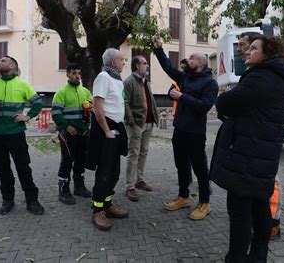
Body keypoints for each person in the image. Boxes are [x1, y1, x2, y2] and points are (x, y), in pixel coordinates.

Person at [211, 35, 284, 262]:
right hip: (263, 156)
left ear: (267, 53)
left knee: (240, 215)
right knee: (260, 209)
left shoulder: (261, 77)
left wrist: (224, 102)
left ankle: (236, 258)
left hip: (248, 156)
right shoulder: (278, 77)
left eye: (253, 48)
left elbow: (225, 103)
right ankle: (259, 256)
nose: (247, 52)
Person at [152, 35, 219, 221]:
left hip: (196, 133)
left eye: (190, 58)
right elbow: (168, 68)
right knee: (181, 165)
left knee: (200, 168)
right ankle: (184, 197)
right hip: (180, 130)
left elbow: (204, 106)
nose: (187, 61)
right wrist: (158, 49)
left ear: (199, 62)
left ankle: (205, 203)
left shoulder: (210, 83)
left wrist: (182, 97)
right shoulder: (185, 77)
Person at [0, 56, 45, 215]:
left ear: (12, 65)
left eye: (3, 61)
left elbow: (38, 103)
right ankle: (7, 200)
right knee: (3, 170)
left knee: (23, 168)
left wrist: (27, 116)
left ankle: (32, 201)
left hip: (16, 134)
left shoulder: (23, 85)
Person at [238, 31, 284, 240]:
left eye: (246, 46)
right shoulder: (253, 73)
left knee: (269, 185)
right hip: (253, 142)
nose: (242, 50)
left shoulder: (268, 76)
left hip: (262, 143)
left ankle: (273, 223)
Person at [86, 48, 129, 230]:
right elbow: (97, 107)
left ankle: (107, 205)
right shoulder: (103, 77)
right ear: (113, 62)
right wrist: (106, 130)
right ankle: (97, 211)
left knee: (114, 172)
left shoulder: (117, 80)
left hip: (116, 129)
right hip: (107, 131)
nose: (124, 62)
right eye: (121, 59)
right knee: (104, 173)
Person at [52, 63, 93, 205]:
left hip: (83, 134)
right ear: (68, 74)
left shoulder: (86, 92)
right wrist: (67, 127)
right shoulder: (61, 93)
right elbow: (56, 114)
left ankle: (79, 187)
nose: (77, 76)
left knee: (81, 161)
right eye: (74, 73)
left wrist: (89, 120)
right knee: (67, 162)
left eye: (79, 73)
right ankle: (63, 191)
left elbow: (91, 111)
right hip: (67, 134)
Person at [124, 55, 159, 202]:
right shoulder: (129, 81)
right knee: (134, 154)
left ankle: (139, 180)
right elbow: (124, 102)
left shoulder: (145, 82)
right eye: (144, 63)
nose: (147, 66)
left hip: (148, 123)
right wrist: (132, 122)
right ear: (137, 66)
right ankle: (130, 187)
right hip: (136, 124)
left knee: (143, 153)